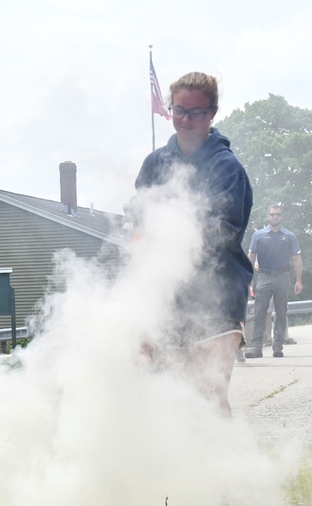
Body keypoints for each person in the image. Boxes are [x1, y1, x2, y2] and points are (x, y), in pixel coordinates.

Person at [134, 71, 253, 413]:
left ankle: (230, 464)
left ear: (212, 113)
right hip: (164, 295)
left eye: (196, 112)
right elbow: (140, 226)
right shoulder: (155, 164)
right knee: (163, 394)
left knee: (209, 396)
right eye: (179, 111)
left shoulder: (227, 168)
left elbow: (220, 234)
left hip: (218, 295)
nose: (186, 120)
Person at [246, 204, 303, 358]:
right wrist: (249, 278)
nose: (275, 217)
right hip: (264, 276)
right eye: (272, 214)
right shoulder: (258, 235)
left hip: (282, 276)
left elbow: (297, 259)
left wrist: (299, 281)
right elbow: (251, 257)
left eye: (278, 214)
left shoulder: (289, 236)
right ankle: (256, 347)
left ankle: (277, 346)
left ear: (282, 216)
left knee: (281, 312)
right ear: (268, 216)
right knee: (259, 312)